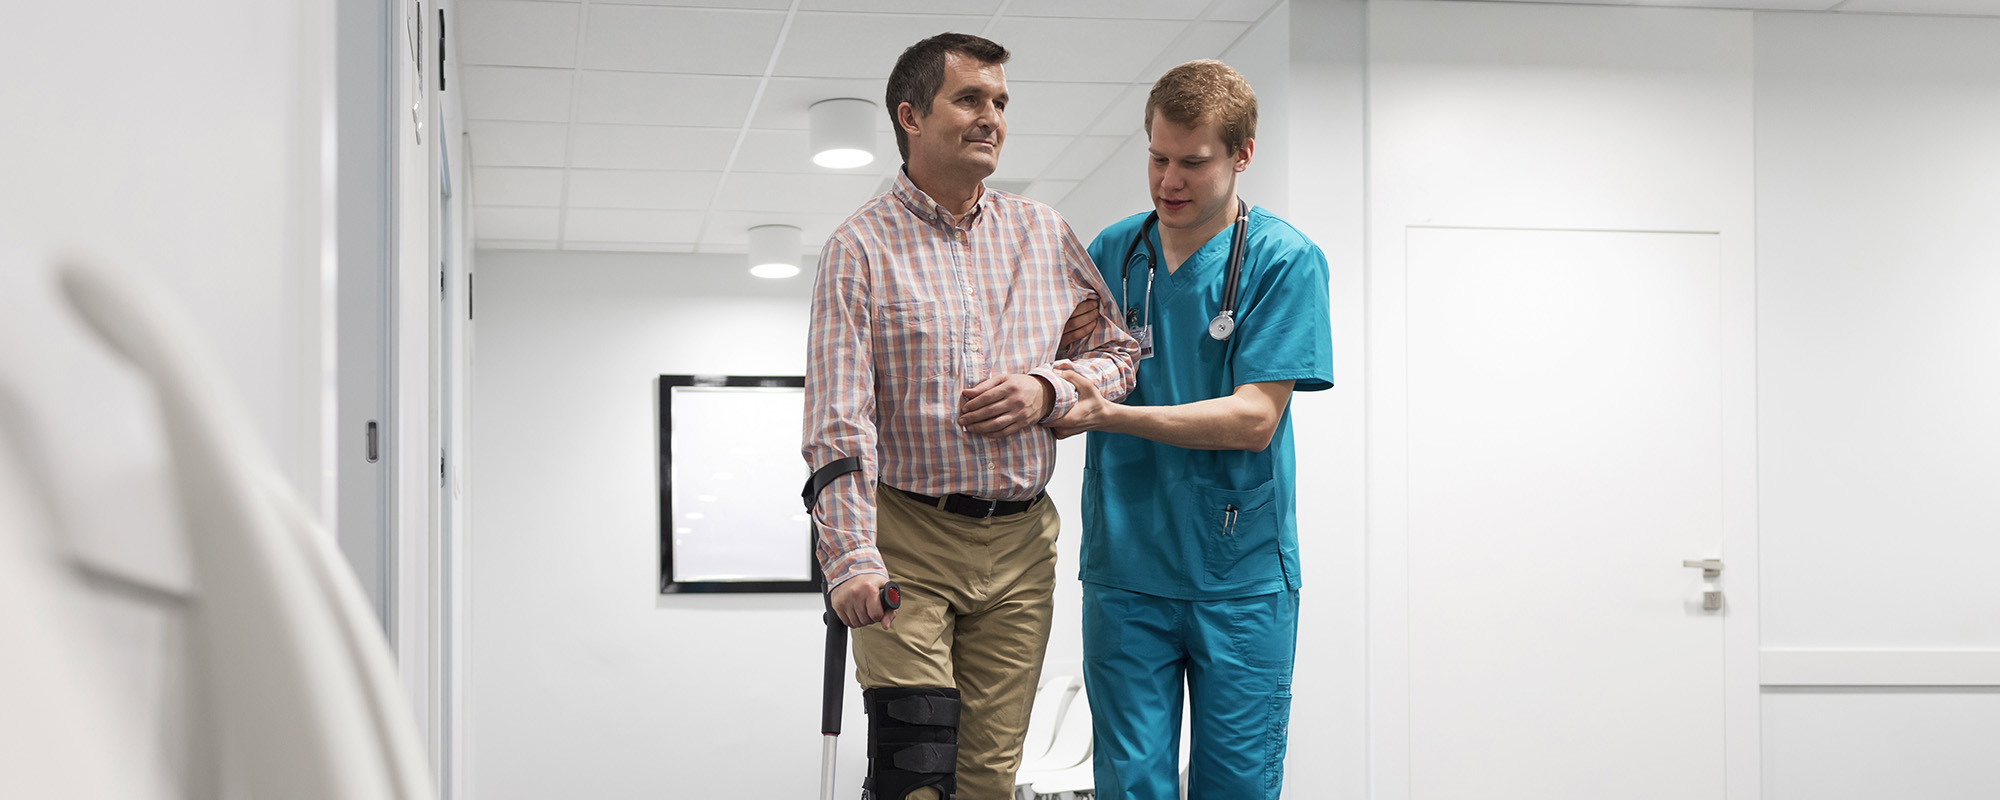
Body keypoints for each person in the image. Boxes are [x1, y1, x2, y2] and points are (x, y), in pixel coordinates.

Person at [802, 32, 1139, 800]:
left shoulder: (1042, 233)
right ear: (911, 116)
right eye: (970, 99)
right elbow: (838, 422)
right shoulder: (858, 249)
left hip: (1021, 544)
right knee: (917, 777)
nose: (991, 116)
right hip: (907, 543)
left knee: (987, 781)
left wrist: (1047, 387)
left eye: (1000, 103)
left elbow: (1120, 354)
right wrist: (851, 557)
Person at [1049, 59, 1334, 800]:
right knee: (1128, 782)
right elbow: (1061, 371)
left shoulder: (1281, 259)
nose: (1169, 181)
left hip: (1237, 574)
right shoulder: (1114, 253)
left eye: (1192, 162)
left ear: (1241, 154)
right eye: (1157, 157)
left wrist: (1110, 414)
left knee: (1236, 784)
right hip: (1126, 564)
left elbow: (1253, 418)